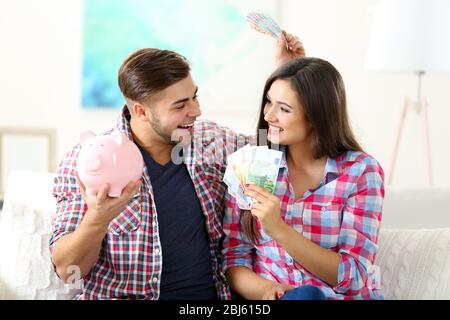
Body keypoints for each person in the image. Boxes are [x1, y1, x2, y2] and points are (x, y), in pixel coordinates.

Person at [49, 33, 305, 299]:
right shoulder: (91, 161)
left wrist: (289, 77)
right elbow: (69, 271)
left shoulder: (211, 142)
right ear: (141, 112)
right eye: (181, 105)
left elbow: (269, 146)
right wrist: (97, 219)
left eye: (194, 97)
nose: (196, 111)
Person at [222, 57, 385, 300]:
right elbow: (234, 256)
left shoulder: (360, 172)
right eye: (269, 102)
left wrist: (279, 230)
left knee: (308, 296)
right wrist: (267, 289)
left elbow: (355, 276)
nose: (268, 115)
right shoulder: (251, 165)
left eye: (284, 109)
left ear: (317, 116)